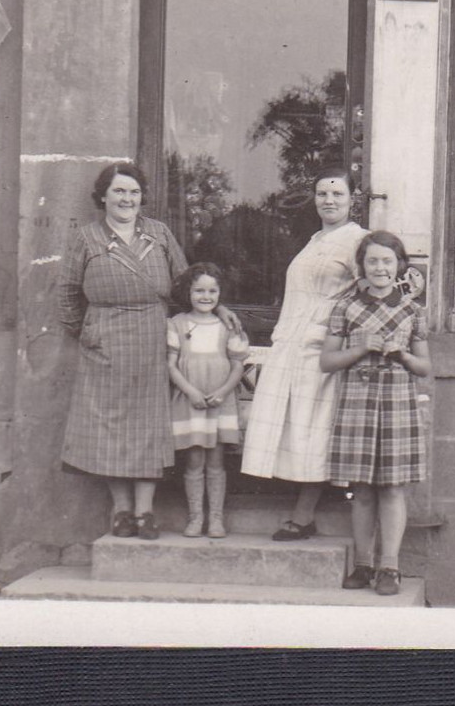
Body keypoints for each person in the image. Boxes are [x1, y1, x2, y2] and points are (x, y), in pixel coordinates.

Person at [59, 162, 189, 540]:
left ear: (142, 197)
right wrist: (88, 334)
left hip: (151, 336)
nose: (126, 199)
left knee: (148, 424)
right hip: (106, 340)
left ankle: (146, 512)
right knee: (110, 427)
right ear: (103, 196)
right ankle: (121, 510)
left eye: (133, 192)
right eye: (118, 191)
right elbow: (68, 292)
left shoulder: (159, 233)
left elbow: (184, 282)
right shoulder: (87, 238)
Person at [238, 170, 368, 539]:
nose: (329, 200)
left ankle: (304, 514)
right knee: (292, 425)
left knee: (312, 428)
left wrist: (337, 334)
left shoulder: (358, 240)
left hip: (321, 346)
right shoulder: (313, 240)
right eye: (322, 194)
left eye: (337, 193)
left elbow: (366, 294)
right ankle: (300, 510)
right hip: (292, 342)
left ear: (352, 198)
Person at [320, 230, 431, 597]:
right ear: (362, 266)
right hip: (358, 401)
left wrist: (402, 355)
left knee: (393, 488)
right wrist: (359, 348)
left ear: (399, 265)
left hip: (397, 402)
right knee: (363, 490)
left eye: (387, 261)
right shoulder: (345, 306)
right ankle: (364, 563)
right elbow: (327, 361)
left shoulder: (413, 310)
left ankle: (390, 568)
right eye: (372, 261)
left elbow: (424, 368)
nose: (380, 268)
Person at [166, 262, 248, 539]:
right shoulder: (176, 324)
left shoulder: (227, 325)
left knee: (216, 462)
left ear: (220, 293)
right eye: (199, 290)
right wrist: (190, 391)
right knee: (194, 461)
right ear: (187, 292)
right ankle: (195, 517)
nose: (205, 296)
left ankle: (215, 519)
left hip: (218, 401)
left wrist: (223, 391)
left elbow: (237, 364)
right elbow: (171, 365)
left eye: (212, 291)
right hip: (191, 400)